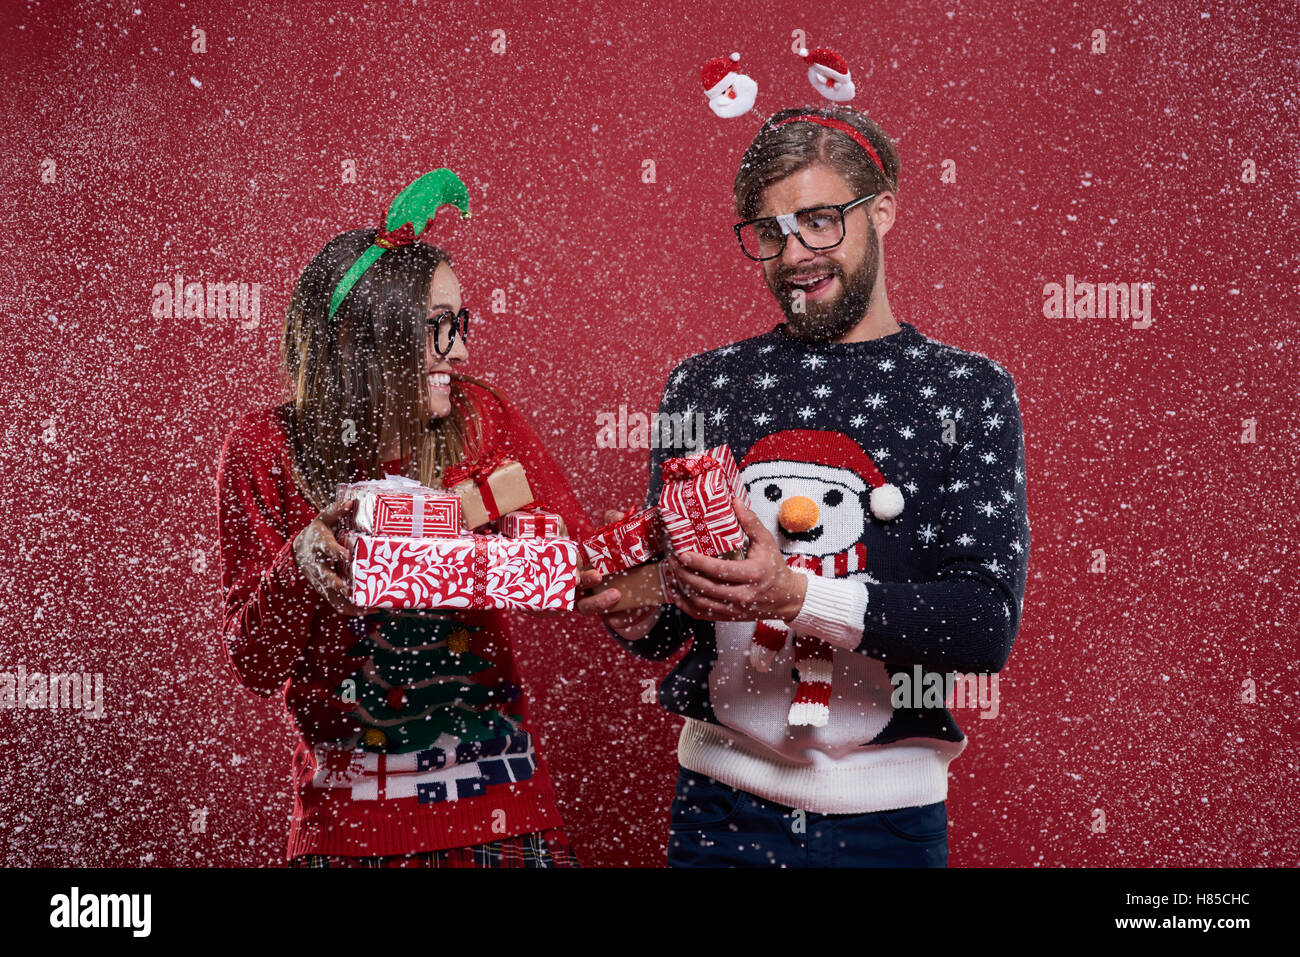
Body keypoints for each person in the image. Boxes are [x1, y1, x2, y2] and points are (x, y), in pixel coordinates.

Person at [580, 105, 1031, 867]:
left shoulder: (967, 391)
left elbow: (982, 625)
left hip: (889, 825)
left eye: (820, 219)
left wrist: (792, 595)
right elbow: (667, 632)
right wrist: (629, 597)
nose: (795, 254)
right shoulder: (705, 386)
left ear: (881, 209)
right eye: (770, 231)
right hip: (717, 813)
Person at [218, 177, 595, 867]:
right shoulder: (264, 450)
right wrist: (302, 564)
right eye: (436, 331)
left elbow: (578, 571)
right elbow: (256, 662)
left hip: (502, 821)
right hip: (350, 838)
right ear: (367, 342)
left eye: (460, 325)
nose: (459, 353)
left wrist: (527, 558)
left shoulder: (483, 419)